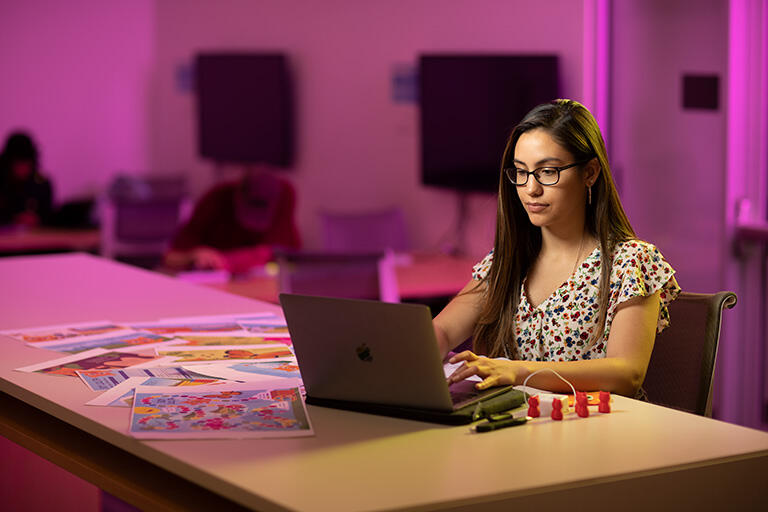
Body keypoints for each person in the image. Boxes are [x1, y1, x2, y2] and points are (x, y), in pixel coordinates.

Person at [435, 99, 680, 398]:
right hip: (515, 430)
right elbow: (443, 331)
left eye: (547, 172)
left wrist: (517, 371)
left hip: (600, 433)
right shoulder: (507, 261)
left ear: (589, 173)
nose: (530, 189)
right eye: (521, 172)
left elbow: (626, 373)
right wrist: (414, 352)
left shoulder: (630, 262)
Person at [163, 164, 301, 274]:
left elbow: (287, 255)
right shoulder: (216, 199)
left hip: (259, 287)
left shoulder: (285, 194)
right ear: (237, 196)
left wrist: (229, 261)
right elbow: (169, 258)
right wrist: (192, 256)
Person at [0, 131, 53, 227]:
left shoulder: (41, 184)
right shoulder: (2, 184)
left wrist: (38, 219)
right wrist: (14, 219)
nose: (22, 168)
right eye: (18, 163)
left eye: (26, 163)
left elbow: (50, 215)